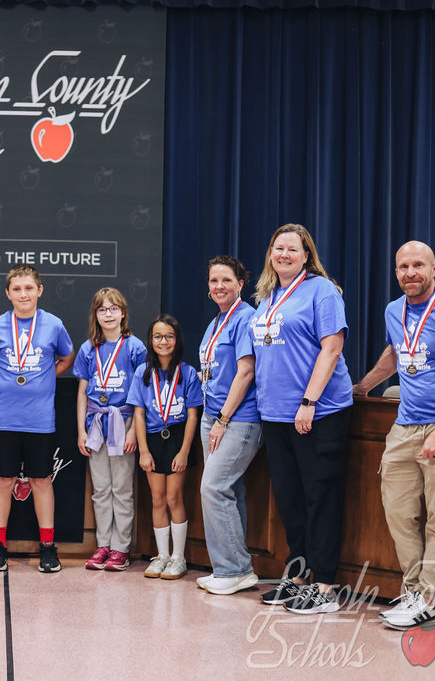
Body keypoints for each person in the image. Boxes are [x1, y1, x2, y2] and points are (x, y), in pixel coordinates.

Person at [353, 241, 435, 630]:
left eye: (418, 266)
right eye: (402, 267)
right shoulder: (395, 309)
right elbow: (397, 352)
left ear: (434, 269)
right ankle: (412, 592)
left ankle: (427, 597)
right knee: (398, 513)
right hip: (403, 428)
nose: (410, 273)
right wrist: (365, 385)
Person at [250, 224, 353, 614]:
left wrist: (309, 401)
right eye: (278, 248)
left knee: (320, 498)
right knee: (291, 501)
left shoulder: (321, 291)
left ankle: (325, 588)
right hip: (276, 416)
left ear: (306, 255)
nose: (284, 255)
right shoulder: (267, 297)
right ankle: (297, 578)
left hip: (318, 412)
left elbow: (332, 347)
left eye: (293, 249)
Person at [0, 264, 75, 573]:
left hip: (40, 419)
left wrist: (49, 376)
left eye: (29, 288)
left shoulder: (54, 325)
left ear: (39, 290)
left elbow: (67, 356)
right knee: (3, 480)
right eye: (17, 289)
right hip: (5, 418)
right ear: (8, 293)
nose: (23, 294)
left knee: (42, 480)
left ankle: (47, 546)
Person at [195, 256, 263, 595]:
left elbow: (246, 371)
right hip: (212, 415)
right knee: (228, 491)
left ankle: (235, 569)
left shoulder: (245, 319)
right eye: (213, 281)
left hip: (238, 418)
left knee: (213, 487)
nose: (218, 286)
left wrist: (222, 419)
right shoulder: (216, 322)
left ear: (240, 283)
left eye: (225, 280)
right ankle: (229, 569)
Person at [73, 288, 146, 571]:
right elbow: (82, 392)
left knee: (122, 488)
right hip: (96, 424)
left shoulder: (136, 347)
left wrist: (133, 432)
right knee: (101, 488)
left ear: (123, 313)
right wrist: (81, 429)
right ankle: (103, 545)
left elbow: (142, 392)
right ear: (96, 315)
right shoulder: (88, 348)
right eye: (102, 309)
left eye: (113, 308)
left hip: (124, 421)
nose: (108, 314)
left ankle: (121, 548)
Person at [127, 314, 202, 581]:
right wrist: (144, 451)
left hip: (179, 438)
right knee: (157, 498)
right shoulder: (142, 373)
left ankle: (179, 558)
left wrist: (184, 451)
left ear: (177, 339)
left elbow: (193, 415)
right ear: (151, 340)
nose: (163, 341)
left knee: (174, 498)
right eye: (158, 336)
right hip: (152, 439)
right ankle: (162, 556)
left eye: (169, 336)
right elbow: (138, 413)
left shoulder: (188, 372)